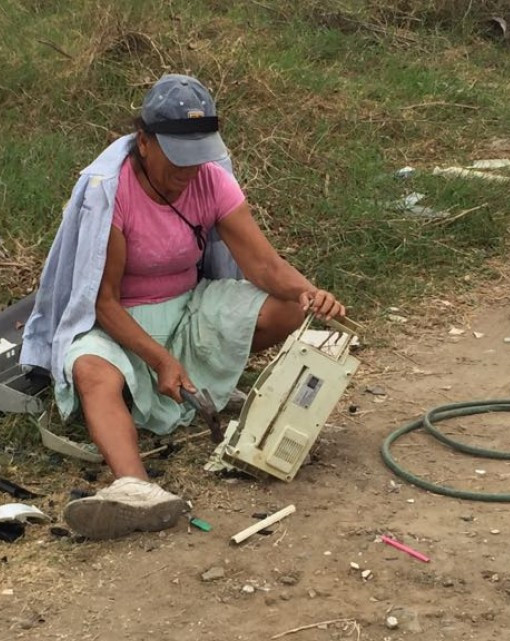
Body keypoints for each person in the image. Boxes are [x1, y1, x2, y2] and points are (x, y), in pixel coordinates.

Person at [20, 74, 345, 540]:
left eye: (195, 161)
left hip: (187, 304)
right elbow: (102, 301)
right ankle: (135, 488)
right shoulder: (110, 190)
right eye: (176, 162)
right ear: (144, 142)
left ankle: (203, 388)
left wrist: (310, 294)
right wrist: (159, 359)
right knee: (93, 370)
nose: (186, 175)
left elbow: (263, 263)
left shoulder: (210, 178)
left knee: (289, 309)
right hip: (120, 320)